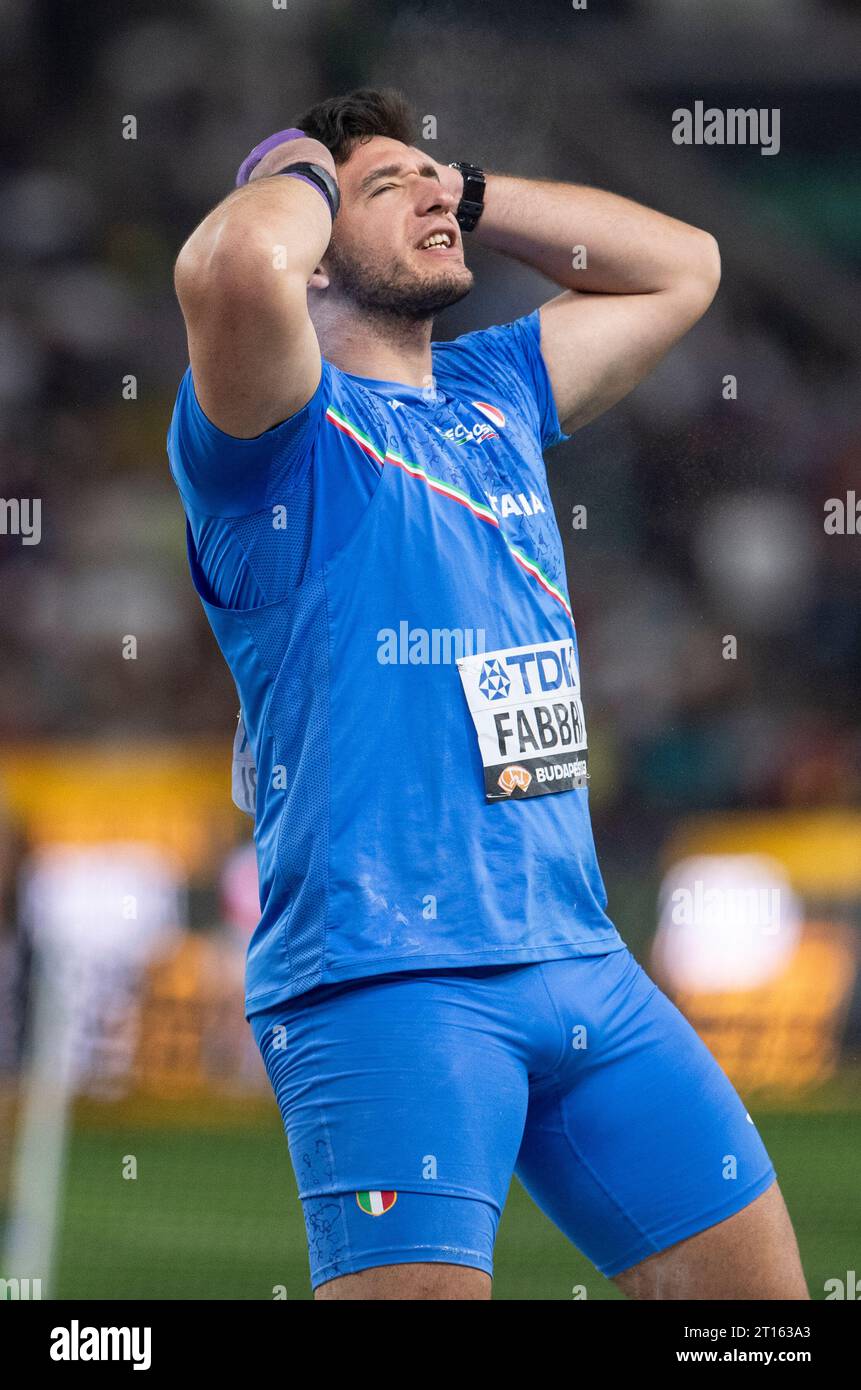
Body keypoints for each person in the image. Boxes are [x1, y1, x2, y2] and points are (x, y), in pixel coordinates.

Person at [167, 88, 807, 1300]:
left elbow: (684, 266)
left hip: (582, 962)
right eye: (384, 185)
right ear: (312, 247)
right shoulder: (272, 438)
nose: (431, 192)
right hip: (386, 983)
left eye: (437, 176)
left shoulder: (494, 389)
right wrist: (300, 159)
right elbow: (241, 263)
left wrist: (454, 191)